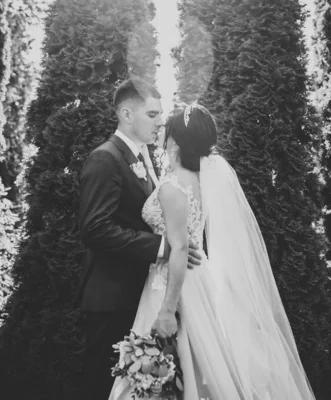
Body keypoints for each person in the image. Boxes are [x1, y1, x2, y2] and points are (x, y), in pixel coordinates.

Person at [108, 103, 316, 399]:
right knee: (199, 365)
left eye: (165, 126)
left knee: (174, 362)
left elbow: (179, 248)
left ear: (176, 140)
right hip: (198, 279)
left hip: (172, 285)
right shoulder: (201, 181)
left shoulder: (172, 187)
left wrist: (167, 310)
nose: (161, 131)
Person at [76, 79, 203, 398]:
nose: (160, 121)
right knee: (106, 387)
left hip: (140, 295)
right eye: (151, 114)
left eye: (160, 114)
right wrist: (164, 248)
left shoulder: (146, 158)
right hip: (112, 298)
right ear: (126, 115)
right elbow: (95, 228)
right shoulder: (105, 159)